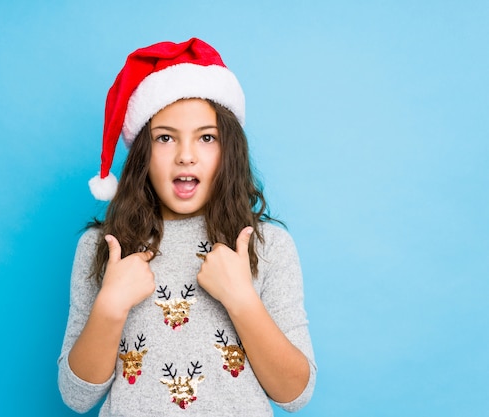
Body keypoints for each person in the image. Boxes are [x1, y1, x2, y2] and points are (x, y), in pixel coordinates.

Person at [58, 38, 316, 415]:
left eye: (206, 137)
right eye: (165, 138)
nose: (186, 155)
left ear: (229, 150)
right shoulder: (104, 246)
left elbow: (295, 394)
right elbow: (76, 397)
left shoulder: (267, 245)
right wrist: (110, 305)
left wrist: (242, 299)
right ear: (143, 153)